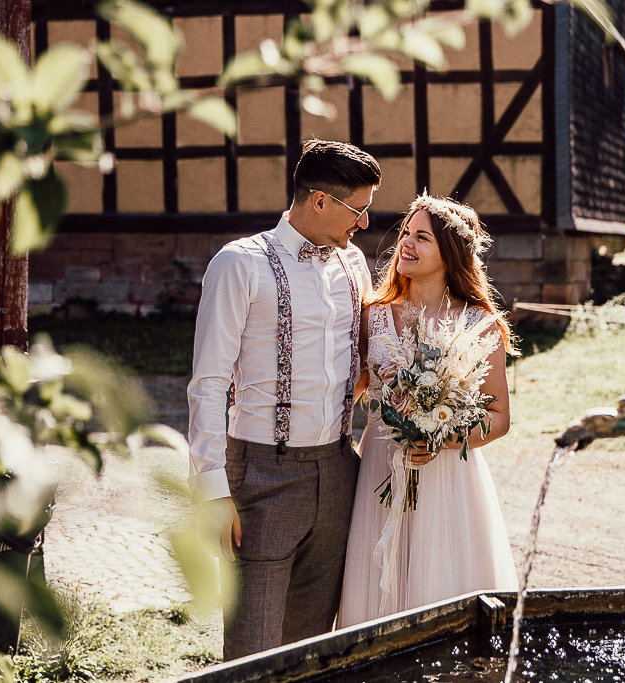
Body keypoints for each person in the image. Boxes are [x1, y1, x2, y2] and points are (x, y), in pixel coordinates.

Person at [187, 139, 382, 658]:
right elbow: (208, 382)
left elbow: (367, 360)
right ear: (319, 201)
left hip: (341, 469)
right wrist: (212, 490)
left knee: (313, 644)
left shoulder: (354, 265)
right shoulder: (239, 264)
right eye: (357, 210)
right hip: (261, 476)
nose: (363, 223)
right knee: (252, 648)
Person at [337, 193, 519, 627]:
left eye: (422, 238)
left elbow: (499, 416)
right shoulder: (374, 315)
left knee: (442, 584)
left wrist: (442, 438)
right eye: (405, 233)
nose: (406, 244)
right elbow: (347, 388)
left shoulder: (480, 323)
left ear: (450, 254)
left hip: (449, 477)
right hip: (381, 463)